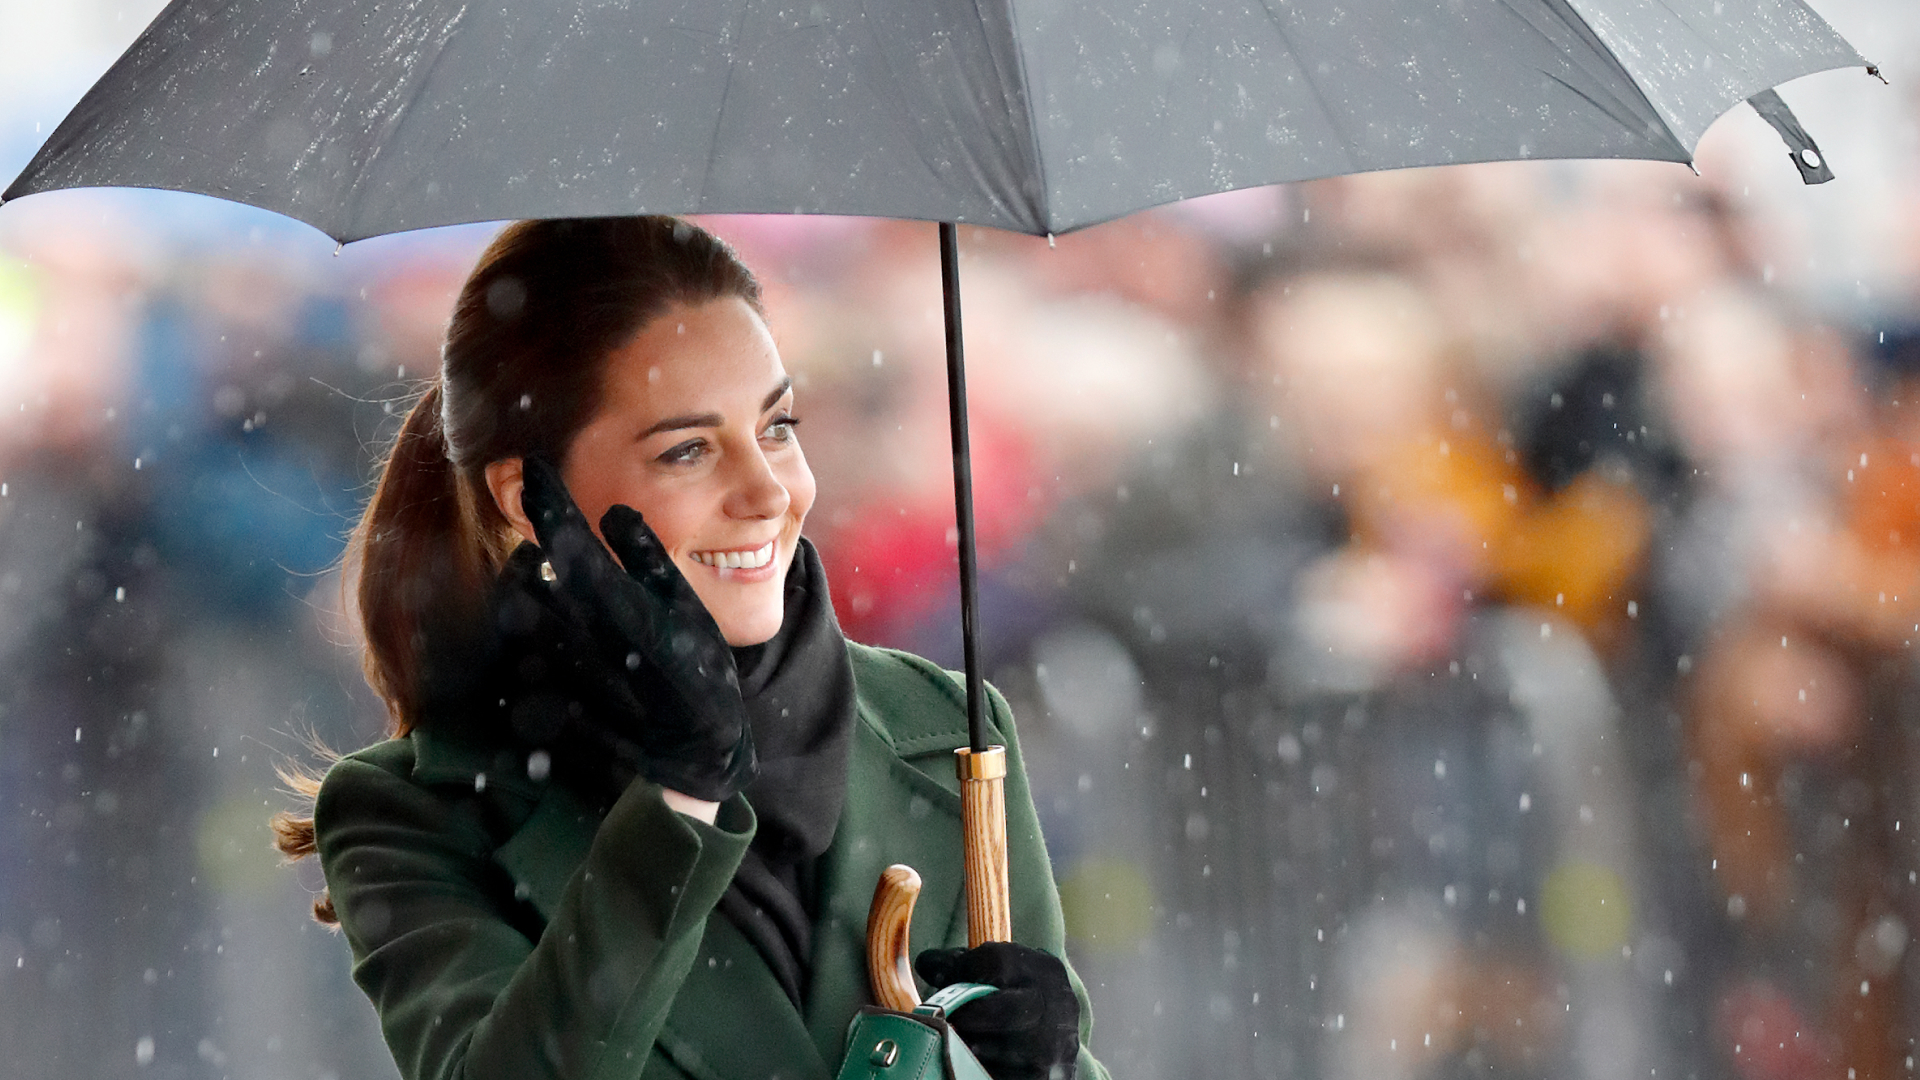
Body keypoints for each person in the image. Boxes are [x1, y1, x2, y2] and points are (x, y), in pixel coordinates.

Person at [270, 217, 1105, 1080]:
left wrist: (1053, 1071)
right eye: (689, 450)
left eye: (778, 426)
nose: (767, 491)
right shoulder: (414, 810)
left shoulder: (945, 729)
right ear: (531, 498)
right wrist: (682, 793)